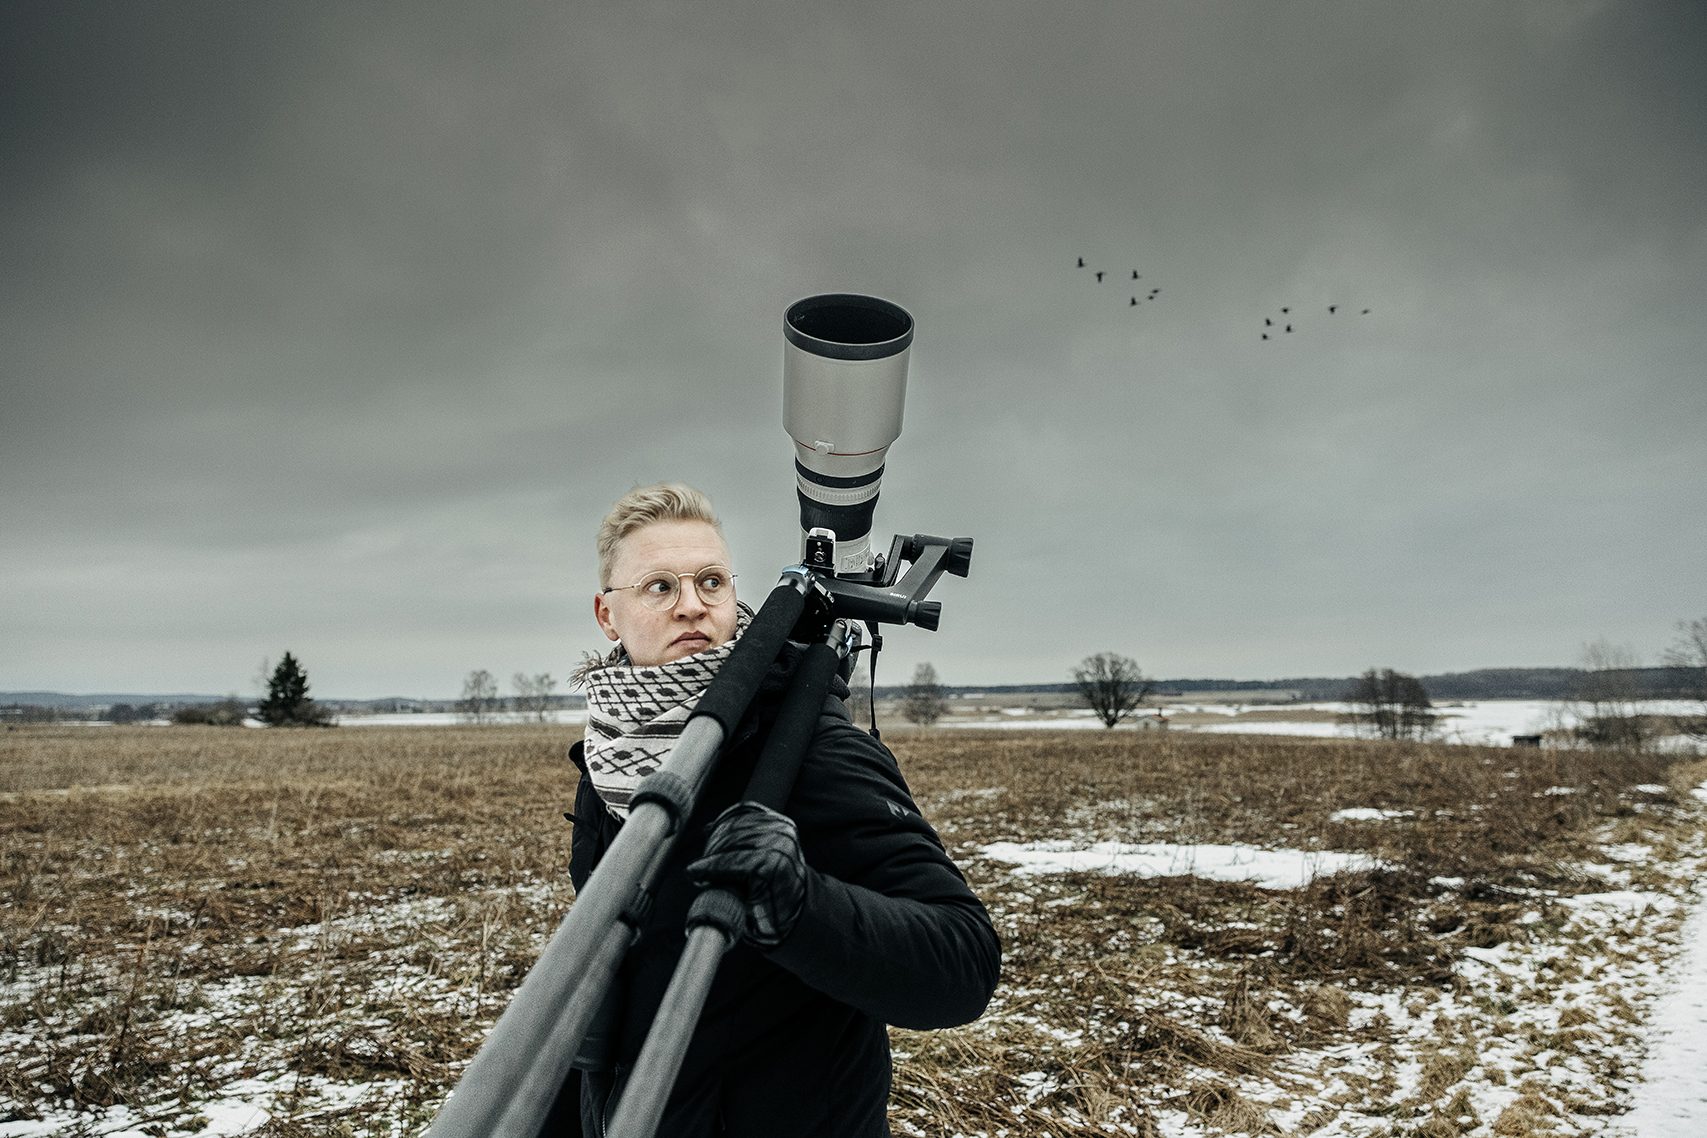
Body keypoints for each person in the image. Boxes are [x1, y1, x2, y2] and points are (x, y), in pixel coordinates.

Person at [558, 482, 1000, 1137]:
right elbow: (618, 987)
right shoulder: (611, 754)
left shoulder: (807, 747)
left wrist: (799, 907)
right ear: (606, 614)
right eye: (659, 587)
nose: (691, 606)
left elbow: (962, 962)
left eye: (711, 582)